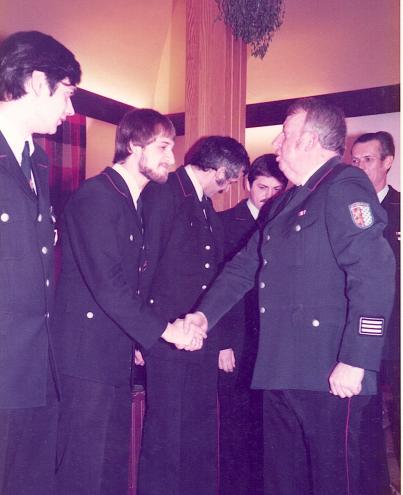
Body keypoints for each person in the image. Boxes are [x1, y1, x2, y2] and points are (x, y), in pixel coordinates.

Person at [184, 97, 395, 495]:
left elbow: (375, 273)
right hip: (281, 367)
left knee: (333, 483)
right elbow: (243, 267)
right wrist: (203, 316)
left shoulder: (345, 186)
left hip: (330, 371)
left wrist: (356, 358)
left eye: (285, 134)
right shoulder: (286, 200)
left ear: (310, 140)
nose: (276, 143)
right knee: (284, 482)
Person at [52, 109, 205, 495]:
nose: (171, 158)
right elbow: (110, 286)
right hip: (85, 358)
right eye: (163, 147)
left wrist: (139, 338)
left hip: (110, 353)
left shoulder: (130, 201)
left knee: (110, 469)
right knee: (83, 471)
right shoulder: (97, 197)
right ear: (134, 145)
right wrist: (165, 331)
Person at [136, 135, 250, 495]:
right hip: (166, 336)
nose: (227, 188)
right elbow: (143, 267)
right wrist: (141, 334)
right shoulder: (164, 194)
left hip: (199, 337)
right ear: (218, 171)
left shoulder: (203, 204)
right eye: (230, 179)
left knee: (198, 429)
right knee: (166, 433)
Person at [0, 31, 81, 495]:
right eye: (66, 93)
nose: (70, 109)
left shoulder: (37, 161)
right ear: (35, 82)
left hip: (36, 366)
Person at [217, 154, 287, 495]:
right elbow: (215, 286)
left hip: (273, 342)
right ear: (247, 184)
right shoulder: (223, 223)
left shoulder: (288, 223)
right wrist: (221, 341)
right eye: (262, 188)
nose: (268, 196)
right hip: (235, 341)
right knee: (234, 426)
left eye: (276, 190)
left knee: (269, 428)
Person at [351, 131, 400, 493]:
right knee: (363, 417)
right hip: (362, 332)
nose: (359, 167)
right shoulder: (349, 209)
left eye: (367, 159)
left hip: (399, 331)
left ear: (387, 162)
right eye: (354, 160)